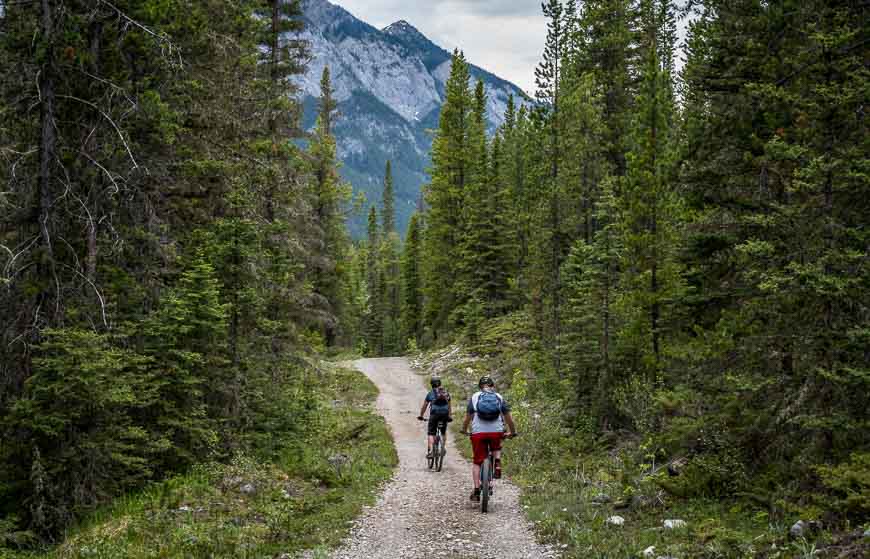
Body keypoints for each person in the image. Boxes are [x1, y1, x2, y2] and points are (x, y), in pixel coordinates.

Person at [460, 375, 517, 501]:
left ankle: (476, 490)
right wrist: (513, 432)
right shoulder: (498, 397)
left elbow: (467, 418)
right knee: (496, 445)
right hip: (496, 432)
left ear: (480, 387)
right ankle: (497, 461)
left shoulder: (475, 397)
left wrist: (464, 430)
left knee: (477, 462)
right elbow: (509, 419)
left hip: (478, 433)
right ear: (492, 386)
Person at [417, 376, 452, 459]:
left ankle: (432, 452)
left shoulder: (430, 393)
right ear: (440, 383)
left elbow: (424, 406)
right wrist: (449, 416)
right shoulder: (446, 393)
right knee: (443, 432)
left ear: (431, 385)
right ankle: (442, 447)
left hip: (434, 415)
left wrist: (421, 416)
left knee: (431, 433)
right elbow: (449, 406)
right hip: (444, 414)